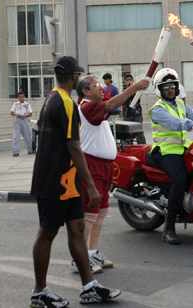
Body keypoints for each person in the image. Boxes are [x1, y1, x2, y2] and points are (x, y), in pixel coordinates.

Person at [30, 56, 121, 307]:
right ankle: (40, 292)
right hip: (54, 180)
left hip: (66, 181)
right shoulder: (67, 104)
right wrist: (90, 184)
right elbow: (74, 146)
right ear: (74, 77)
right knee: (47, 232)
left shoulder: (51, 98)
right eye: (79, 75)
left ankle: (89, 286)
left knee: (77, 229)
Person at [70, 74, 149, 274]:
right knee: (89, 213)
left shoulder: (98, 106)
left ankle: (92, 251)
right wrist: (134, 88)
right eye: (96, 85)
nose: (101, 88)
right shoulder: (87, 107)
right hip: (92, 166)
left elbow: (110, 105)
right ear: (86, 91)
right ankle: (79, 258)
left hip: (106, 167)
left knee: (101, 211)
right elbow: (109, 106)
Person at [148, 68, 193, 245]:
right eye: (166, 87)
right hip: (165, 151)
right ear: (160, 89)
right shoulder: (157, 109)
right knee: (179, 181)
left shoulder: (180, 105)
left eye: (172, 86)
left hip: (182, 148)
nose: (170, 89)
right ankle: (169, 228)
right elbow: (176, 123)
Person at [121, 74, 146, 144]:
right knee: (126, 132)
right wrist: (122, 113)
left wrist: (133, 88)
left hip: (136, 114)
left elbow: (138, 97)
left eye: (130, 80)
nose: (129, 81)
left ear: (133, 81)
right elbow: (123, 104)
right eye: (127, 80)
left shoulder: (137, 91)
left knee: (139, 132)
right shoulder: (124, 92)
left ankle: (143, 146)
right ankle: (126, 147)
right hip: (127, 114)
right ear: (125, 82)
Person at [10, 91, 33, 156]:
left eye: (22, 97)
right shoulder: (15, 104)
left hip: (25, 120)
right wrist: (16, 114)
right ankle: (15, 151)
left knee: (27, 135)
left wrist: (25, 116)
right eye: (20, 97)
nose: (21, 98)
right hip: (18, 120)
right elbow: (11, 112)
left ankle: (30, 149)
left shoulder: (27, 105)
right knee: (16, 136)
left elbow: (30, 113)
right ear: (17, 98)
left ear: (24, 97)